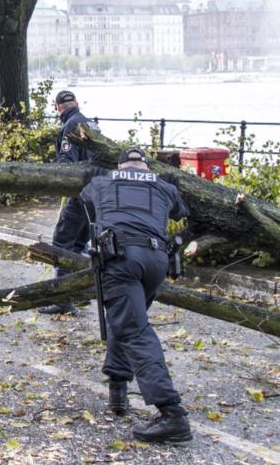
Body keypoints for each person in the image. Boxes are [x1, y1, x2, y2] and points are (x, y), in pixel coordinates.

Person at [79, 147, 192, 444]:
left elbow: (85, 199)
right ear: (145, 166)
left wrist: (89, 179)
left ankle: (171, 413)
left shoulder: (103, 182)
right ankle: (118, 391)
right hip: (156, 261)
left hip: (120, 260)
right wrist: (169, 185)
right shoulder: (163, 186)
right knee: (128, 322)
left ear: (120, 166)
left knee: (134, 330)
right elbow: (182, 211)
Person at [41, 90, 97, 315]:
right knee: (81, 243)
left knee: (63, 242)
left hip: (80, 192)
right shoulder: (90, 123)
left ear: (57, 108)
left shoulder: (70, 127)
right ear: (77, 103)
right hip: (98, 194)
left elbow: (66, 162)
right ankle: (81, 292)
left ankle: (63, 299)